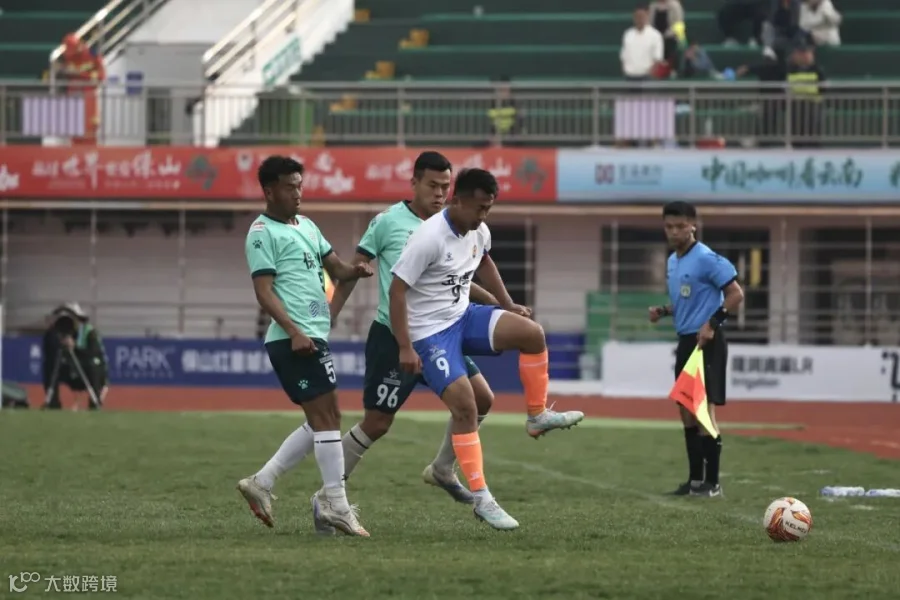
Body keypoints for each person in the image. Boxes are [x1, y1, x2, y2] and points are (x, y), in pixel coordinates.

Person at [389, 168, 584, 530]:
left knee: (532, 334)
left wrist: (507, 304)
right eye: (479, 208)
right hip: (429, 334)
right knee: (467, 405)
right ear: (457, 200)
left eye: (489, 209)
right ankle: (482, 499)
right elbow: (397, 291)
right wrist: (404, 346)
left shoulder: (479, 230)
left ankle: (537, 416)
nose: (483, 216)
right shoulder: (428, 238)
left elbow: (484, 261)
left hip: (463, 316)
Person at [315, 152, 500, 535]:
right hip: (393, 338)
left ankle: (443, 468)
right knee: (377, 423)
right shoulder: (388, 223)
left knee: (481, 399)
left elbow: (460, 279)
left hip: (441, 334)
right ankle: (328, 496)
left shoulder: (455, 226)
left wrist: (498, 302)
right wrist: (330, 316)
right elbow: (351, 271)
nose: (439, 193)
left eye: (445, 186)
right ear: (414, 183)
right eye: (432, 185)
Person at [237, 155, 374, 537]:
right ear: (269, 191)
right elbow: (263, 292)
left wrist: (355, 270)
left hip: (313, 334)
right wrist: (294, 330)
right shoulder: (261, 233)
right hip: (293, 339)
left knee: (322, 419)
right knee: (328, 417)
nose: (298, 193)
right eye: (289, 187)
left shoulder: (308, 226)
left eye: (300, 185)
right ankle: (336, 505)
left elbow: (337, 268)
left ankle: (262, 482)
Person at [649, 202, 744, 498]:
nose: (674, 232)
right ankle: (694, 482)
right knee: (686, 411)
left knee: (703, 411)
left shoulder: (706, 258)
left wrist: (712, 323)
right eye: (669, 227)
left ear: (693, 226)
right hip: (686, 340)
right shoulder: (673, 261)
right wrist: (665, 310)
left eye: (680, 226)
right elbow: (686, 300)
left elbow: (735, 294)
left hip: (707, 342)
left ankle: (712, 484)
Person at [42, 302, 108, 410]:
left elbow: (94, 354)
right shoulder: (52, 333)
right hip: (67, 370)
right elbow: (48, 354)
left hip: (86, 370)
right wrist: (57, 341)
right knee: (48, 366)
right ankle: (53, 404)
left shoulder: (89, 332)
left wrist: (75, 347)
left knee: (95, 364)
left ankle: (94, 403)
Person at [620, 7, 665, 83]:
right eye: (637, 17)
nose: (640, 19)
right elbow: (623, 55)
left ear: (647, 17)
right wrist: (625, 69)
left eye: (642, 16)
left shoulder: (655, 35)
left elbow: (658, 58)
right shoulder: (628, 34)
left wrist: (650, 73)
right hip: (630, 76)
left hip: (647, 77)